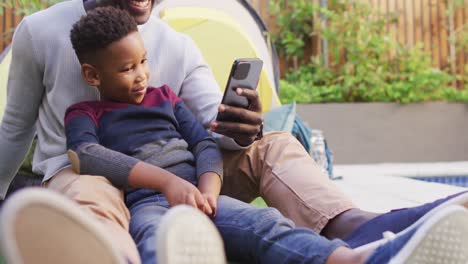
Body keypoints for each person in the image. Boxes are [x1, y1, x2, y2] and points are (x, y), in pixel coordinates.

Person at [0, 0, 467, 262]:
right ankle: (119, 255)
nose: (140, 73)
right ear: (93, 72)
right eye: (128, 67)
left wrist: (243, 128)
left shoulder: (176, 48)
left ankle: (360, 232)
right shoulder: (41, 33)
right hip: (87, 174)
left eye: (143, 62)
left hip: (187, 176)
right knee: (93, 190)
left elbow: (213, 132)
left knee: (274, 146)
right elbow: (16, 128)